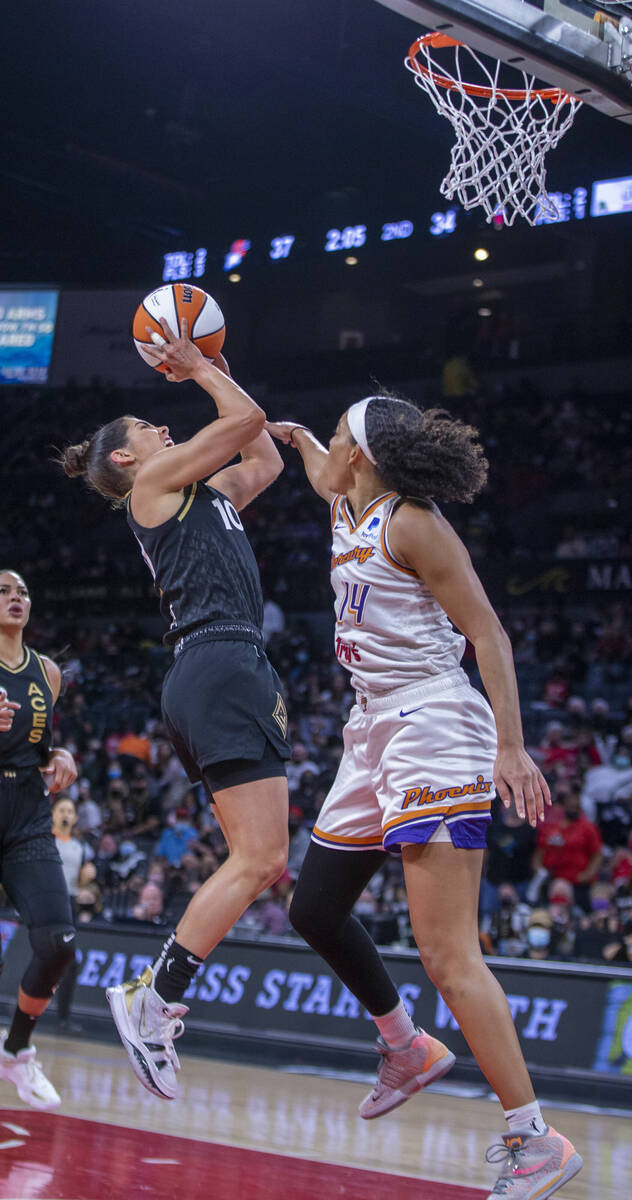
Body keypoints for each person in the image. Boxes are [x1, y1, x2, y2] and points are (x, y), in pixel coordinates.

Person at [266, 396, 582, 1200]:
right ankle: (405, 1047)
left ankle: (532, 1136)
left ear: (364, 456)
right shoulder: (347, 498)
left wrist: (510, 747)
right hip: (371, 727)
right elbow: (313, 468)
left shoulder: (413, 523)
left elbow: (489, 633)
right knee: (314, 909)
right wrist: (294, 433)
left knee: (447, 953)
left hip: (434, 721)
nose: (328, 449)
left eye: (337, 438)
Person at [60, 320, 290, 1101]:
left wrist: (219, 365)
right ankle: (150, 997)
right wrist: (200, 369)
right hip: (218, 660)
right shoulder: (155, 488)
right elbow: (242, 423)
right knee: (261, 860)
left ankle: (153, 995)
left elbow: (261, 452)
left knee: (259, 860)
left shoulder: (202, 492)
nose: (163, 427)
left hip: (221, 666)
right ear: (126, 458)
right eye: (148, 430)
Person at [0, 570, 78, 1109]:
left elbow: (41, 745)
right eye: (4, 591)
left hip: (27, 814)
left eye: (23, 591)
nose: (15, 598)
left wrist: (60, 756)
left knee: (57, 943)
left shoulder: (46, 673)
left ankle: (16, 1052)